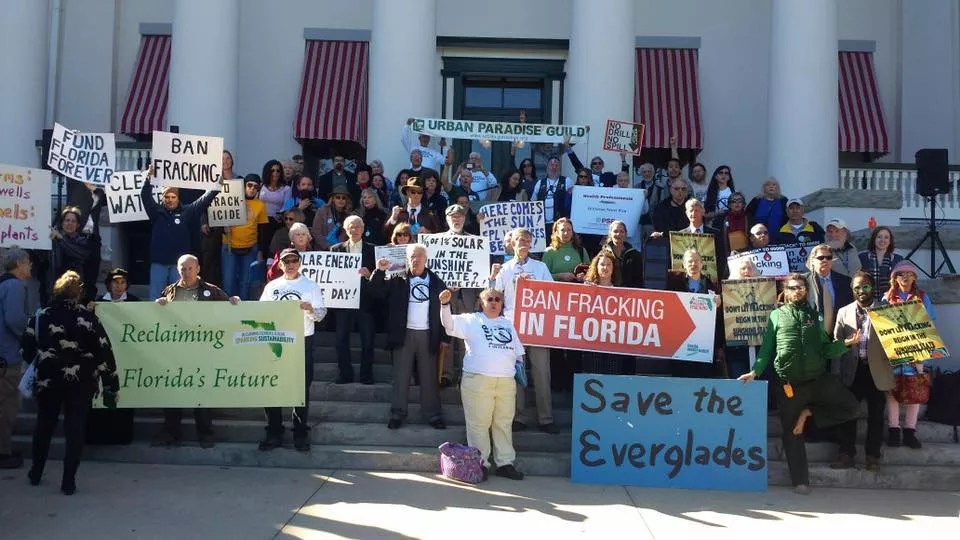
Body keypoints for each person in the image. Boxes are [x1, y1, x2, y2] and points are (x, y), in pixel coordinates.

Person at [738, 272, 861, 495]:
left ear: (806, 290)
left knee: (852, 407)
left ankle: (809, 412)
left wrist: (846, 344)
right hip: (789, 385)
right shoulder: (776, 315)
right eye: (793, 288)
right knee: (791, 433)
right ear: (785, 291)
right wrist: (755, 371)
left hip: (817, 381)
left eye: (801, 288)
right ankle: (800, 481)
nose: (798, 291)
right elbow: (767, 348)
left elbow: (826, 349)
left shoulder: (816, 316)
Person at [21, 271, 118, 495]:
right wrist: (111, 384)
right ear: (78, 293)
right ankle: (68, 481)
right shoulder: (89, 317)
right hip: (81, 381)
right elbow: (104, 350)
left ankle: (36, 471)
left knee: (45, 424)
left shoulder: (41, 316)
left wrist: (41, 363)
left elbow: (27, 345)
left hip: (49, 379)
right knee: (75, 428)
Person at [151, 255, 239, 448]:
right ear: (177, 269)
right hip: (176, 353)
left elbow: (231, 310)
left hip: (202, 353)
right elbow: (158, 319)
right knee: (173, 393)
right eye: (183, 268)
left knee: (202, 394)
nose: (186, 272)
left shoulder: (211, 290)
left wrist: (234, 301)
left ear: (198, 269)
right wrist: (160, 305)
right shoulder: (170, 291)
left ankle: (205, 434)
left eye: (190, 268)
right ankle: (171, 432)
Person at [439, 287, 525, 481]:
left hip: (505, 382)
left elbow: (518, 353)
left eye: (498, 300)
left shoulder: (508, 324)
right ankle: (480, 463)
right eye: (490, 299)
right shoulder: (471, 319)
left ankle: (505, 463)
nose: (494, 302)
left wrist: (517, 368)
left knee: (503, 423)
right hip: (478, 380)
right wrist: (445, 305)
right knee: (479, 424)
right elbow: (449, 324)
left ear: (502, 304)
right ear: (481, 303)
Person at [370, 244, 447, 430]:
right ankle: (398, 413)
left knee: (429, 377)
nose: (416, 259)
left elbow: (445, 311)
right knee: (400, 376)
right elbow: (376, 293)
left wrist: (444, 337)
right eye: (412, 256)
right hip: (403, 334)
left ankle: (433, 414)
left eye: (419, 256)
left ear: (426, 258)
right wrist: (378, 271)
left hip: (428, 334)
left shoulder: (436, 281)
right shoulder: (398, 278)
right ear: (407, 258)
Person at [258, 248, 327, 452]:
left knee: (300, 390)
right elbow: (262, 312)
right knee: (272, 387)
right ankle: (274, 432)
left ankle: (300, 433)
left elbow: (322, 313)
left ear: (300, 263)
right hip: (277, 341)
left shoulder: (310, 285)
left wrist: (311, 310)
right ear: (280, 265)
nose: (290, 264)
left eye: (294, 261)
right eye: (286, 261)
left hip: (302, 341)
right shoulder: (272, 286)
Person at [490, 228, 557, 434]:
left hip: (536, 324)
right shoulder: (505, 268)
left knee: (541, 371)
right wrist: (492, 277)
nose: (524, 243)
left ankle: (546, 418)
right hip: (512, 326)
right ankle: (518, 416)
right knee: (516, 372)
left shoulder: (541, 267)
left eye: (528, 240)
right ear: (512, 243)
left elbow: (553, 294)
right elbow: (494, 296)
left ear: (532, 243)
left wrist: (533, 285)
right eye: (520, 239)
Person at [833, 271, 895, 471]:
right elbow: (836, 344)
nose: (861, 290)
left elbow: (895, 343)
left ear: (873, 288)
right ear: (852, 290)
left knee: (876, 417)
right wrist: (836, 373)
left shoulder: (886, 310)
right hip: (852, 371)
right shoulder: (843, 312)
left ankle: (872, 457)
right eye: (857, 287)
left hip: (876, 371)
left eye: (865, 286)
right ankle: (846, 454)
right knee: (848, 414)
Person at [141, 168, 223, 300]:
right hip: (159, 263)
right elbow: (145, 196)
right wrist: (148, 179)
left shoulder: (187, 212)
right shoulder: (156, 212)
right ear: (163, 198)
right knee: (155, 297)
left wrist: (216, 187)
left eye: (173, 197)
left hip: (179, 266)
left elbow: (203, 201)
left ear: (178, 198)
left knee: (180, 297)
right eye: (167, 197)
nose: (170, 200)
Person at [882, 260, 935, 449]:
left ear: (914, 277)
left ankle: (910, 431)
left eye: (909, 274)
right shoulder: (886, 298)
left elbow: (930, 322)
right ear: (894, 278)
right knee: (892, 391)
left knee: (915, 389)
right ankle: (894, 430)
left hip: (917, 351)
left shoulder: (922, 296)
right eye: (900, 274)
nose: (905, 277)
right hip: (894, 352)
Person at [85, 268, 139, 446]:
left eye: (123, 282)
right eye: (116, 282)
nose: (119, 286)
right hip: (102, 357)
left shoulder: (135, 302)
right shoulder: (98, 303)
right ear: (109, 284)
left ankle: (121, 436)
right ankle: (98, 437)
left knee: (123, 395)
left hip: (127, 357)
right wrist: (89, 310)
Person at [438, 205, 481, 387]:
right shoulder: (437, 242)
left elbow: (480, 271)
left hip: (468, 296)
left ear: (465, 219)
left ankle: (466, 371)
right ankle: (446, 374)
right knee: (447, 336)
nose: (456, 220)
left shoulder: (475, 242)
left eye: (460, 216)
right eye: (453, 217)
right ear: (447, 219)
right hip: (447, 297)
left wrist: (480, 296)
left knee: (466, 337)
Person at [330, 216, 377, 385]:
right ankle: (345, 375)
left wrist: (369, 274)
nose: (355, 229)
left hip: (365, 302)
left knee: (368, 341)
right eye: (351, 226)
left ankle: (366, 375)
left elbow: (381, 279)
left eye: (358, 226)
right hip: (343, 302)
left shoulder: (373, 250)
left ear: (363, 229)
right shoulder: (335, 250)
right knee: (340, 340)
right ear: (345, 229)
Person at [666, 249, 722, 379]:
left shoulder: (711, 286)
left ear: (702, 264)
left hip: (704, 344)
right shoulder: (674, 283)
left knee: (704, 380)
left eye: (696, 261)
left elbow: (717, 320)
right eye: (690, 261)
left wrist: (719, 305)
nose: (693, 264)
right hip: (680, 343)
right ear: (684, 265)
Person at [0, 248, 31, 469]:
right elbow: (14, 319)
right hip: (7, 357)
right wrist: (29, 334)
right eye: (28, 262)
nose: (30, 267)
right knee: (7, 407)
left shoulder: (3, 284)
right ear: (19, 263)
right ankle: (3, 452)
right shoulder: (15, 286)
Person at [579, 251, 629, 375]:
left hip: (613, 343)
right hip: (592, 341)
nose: (605, 268)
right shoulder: (586, 288)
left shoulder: (621, 291)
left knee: (612, 375)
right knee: (592, 374)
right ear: (596, 267)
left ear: (613, 268)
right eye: (602, 264)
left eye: (608, 265)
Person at [222, 174, 271, 300]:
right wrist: (223, 228)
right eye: (249, 185)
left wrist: (261, 251)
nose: (252, 188)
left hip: (250, 247)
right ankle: (228, 310)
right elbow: (217, 217)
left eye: (256, 187)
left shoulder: (260, 205)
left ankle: (242, 310)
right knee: (228, 281)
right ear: (243, 186)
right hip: (229, 246)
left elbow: (264, 230)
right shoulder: (230, 200)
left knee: (245, 282)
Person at [49, 206, 101, 303]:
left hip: (77, 289)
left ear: (77, 225)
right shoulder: (54, 240)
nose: (70, 223)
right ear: (62, 223)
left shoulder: (84, 241)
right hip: (56, 288)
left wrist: (61, 239)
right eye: (67, 220)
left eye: (73, 221)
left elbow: (79, 253)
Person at [805, 243, 853, 338]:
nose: (825, 260)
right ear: (812, 261)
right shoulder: (804, 282)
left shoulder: (846, 281)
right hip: (812, 335)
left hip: (839, 335)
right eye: (821, 258)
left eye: (828, 257)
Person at [858, 225, 902, 302]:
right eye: (879, 237)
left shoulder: (898, 259)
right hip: (867, 302)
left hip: (890, 303)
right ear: (874, 239)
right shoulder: (862, 258)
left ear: (890, 241)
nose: (882, 240)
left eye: (886, 237)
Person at [530, 156, 569, 240]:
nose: (554, 167)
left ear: (560, 167)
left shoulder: (567, 181)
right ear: (547, 167)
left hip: (559, 224)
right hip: (542, 225)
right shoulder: (540, 183)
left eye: (556, 165)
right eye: (551, 165)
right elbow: (532, 203)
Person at [541, 218, 590, 283]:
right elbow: (542, 276)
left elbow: (590, 273)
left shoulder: (581, 251)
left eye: (569, 230)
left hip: (577, 290)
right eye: (562, 230)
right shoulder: (549, 252)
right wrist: (560, 276)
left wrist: (583, 276)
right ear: (557, 233)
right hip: (556, 291)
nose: (566, 233)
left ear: (572, 232)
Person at [601, 220, 644, 288]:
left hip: (628, 294)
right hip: (607, 292)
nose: (618, 234)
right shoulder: (603, 253)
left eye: (621, 231)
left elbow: (638, 280)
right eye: (615, 231)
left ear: (625, 234)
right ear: (610, 233)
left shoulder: (635, 255)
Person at [311, 185, 352, 250]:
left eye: (343, 198)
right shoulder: (322, 211)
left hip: (338, 251)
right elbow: (316, 232)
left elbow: (346, 236)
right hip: (321, 250)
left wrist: (337, 248)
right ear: (333, 199)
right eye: (338, 197)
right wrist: (327, 246)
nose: (341, 200)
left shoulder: (348, 216)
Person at [711, 192, 749, 258]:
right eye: (734, 201)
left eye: (740, 201)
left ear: (743, 204)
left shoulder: (749, 219)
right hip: (725, 256)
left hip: (746, 255)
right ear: (729, 205)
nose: (737, 203)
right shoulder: (720, 219)